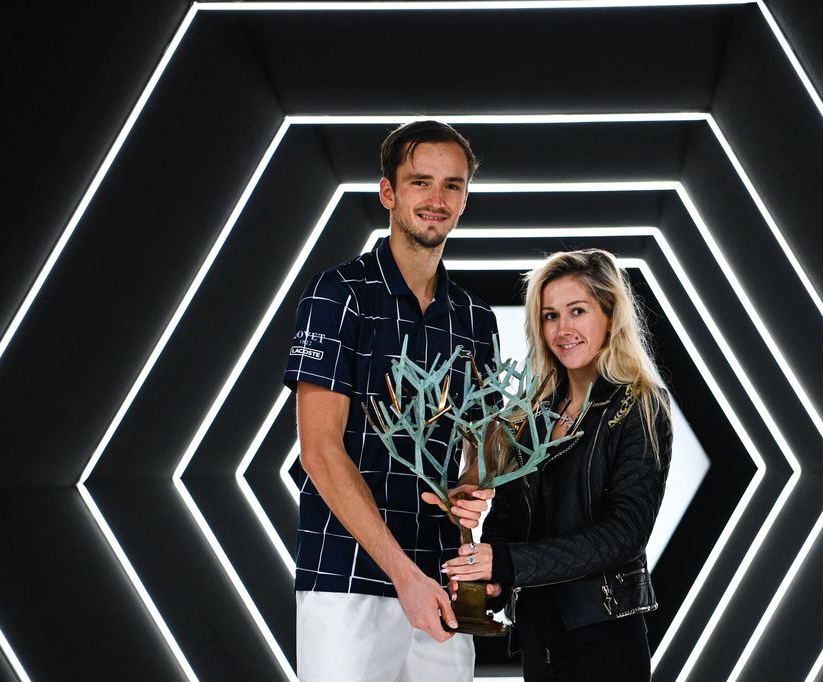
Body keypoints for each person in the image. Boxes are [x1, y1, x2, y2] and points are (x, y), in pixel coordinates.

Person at [283, 121, 498, 682]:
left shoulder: (476, 320)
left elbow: (477, 445)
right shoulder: (338, 296)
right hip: (348, 579)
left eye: (452, 185)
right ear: (388, 193)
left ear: (466, 198)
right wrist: (403, 575)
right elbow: (321, 452)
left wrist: (475, 486)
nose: (436, 199)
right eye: (420, 182)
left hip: (442, 583)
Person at [442, 249, 673, 681]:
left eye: (577, 311)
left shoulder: (638, 404)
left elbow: (624, 533)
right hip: (538, 637)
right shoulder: (529, 414)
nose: (562, 329)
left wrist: (508, 561)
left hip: (604, 636)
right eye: (550, 316)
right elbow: (508, 517)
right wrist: (495, 582)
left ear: (610, 315)